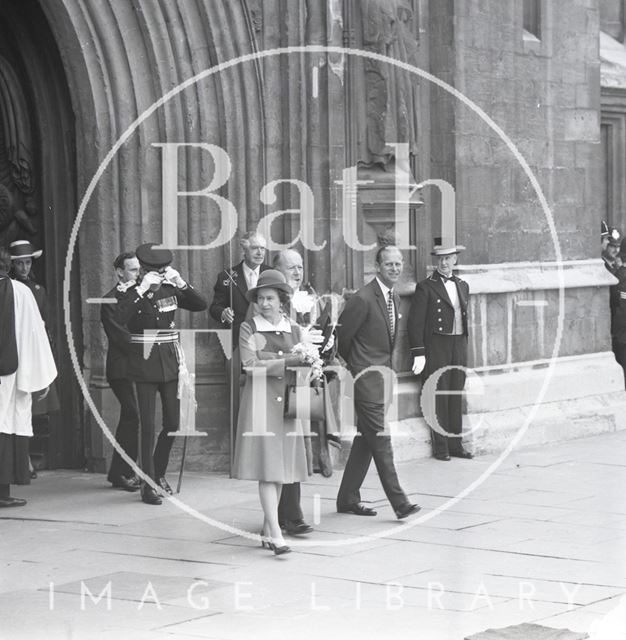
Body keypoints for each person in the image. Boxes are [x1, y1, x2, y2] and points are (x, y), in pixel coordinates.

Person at [114, 243, 207, 505]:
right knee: (148, 426)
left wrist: (181, 282)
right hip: (143, 364)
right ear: (143, 270)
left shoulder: (170, 288)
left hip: (169, 363)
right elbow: (119, 317)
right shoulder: (131, 292)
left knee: (172, 423)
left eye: (162, 270)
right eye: (155, 270)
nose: (159, 274)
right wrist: (141, 290)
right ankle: (147, 483)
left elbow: (200, 304)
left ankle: (157, 472)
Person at [335, 245, 420, 519]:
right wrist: (359, 369)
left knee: (366, 440)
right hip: (365, 381)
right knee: (382, 440)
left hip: (383, 380)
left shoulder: (393, 297)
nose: (394, 269)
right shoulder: (362, 299)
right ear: (377, 266)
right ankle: (400, 502)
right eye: (388, 264)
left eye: (398, 264)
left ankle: (347, 498)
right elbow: (342, 339)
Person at [232, 269, 313, 555]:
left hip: (289, 403)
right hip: (261, 402)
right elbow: (250, 365)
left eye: (269, 298)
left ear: (282, 300)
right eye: (260, 299)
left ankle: (268, 530)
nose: (264, 304)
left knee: (280, 472)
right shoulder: (249, 328)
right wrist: (288, 359)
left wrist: (307, 362)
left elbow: (304, 366)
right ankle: (277, 533)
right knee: (268, 470)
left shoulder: (294, 329)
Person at [0, 247, 57, 507]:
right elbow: (36, 336)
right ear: (7, 265)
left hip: (8, 376)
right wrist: (41, 377)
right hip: (10, 377)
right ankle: (2, 493)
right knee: (7, 427)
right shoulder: (22, 293)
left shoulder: (23, 292)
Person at [408, 239, 473, 461]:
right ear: (436, 261)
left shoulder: (463, 285)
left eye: (448, 258)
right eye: (441, 259)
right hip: (437, 345)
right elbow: (415, 324)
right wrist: (418, 352)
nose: (444, 263)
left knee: (455, 392)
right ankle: (441, 447)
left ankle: (456, 444)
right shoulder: (426, 287)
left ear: (455, 259)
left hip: (458, 345)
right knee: (438, 394)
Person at [209, 231, 270, 449]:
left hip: (268, 345)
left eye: (263, 248)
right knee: (237, 396)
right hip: (237, 344)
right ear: (244, 249)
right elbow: (214, 306)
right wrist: (223, 312)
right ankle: (240, 449)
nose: (260, 252)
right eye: (255, 248)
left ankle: (266, 446)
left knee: (268, 395)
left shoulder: (272, 274)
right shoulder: (227, 276)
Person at [101, 252, 141, 491]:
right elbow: (119, 336)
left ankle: (120, 472)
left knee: (132, 417)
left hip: (140, 366)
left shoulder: (141, 295)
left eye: (138, 269)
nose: (138, 274)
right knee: (132, 414)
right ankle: (122, 472)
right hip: (121, 368)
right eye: (133, 270)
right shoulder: (109, 300)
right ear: (119, 272)